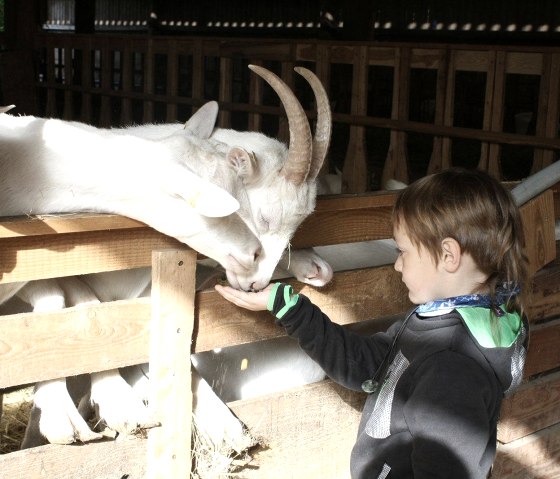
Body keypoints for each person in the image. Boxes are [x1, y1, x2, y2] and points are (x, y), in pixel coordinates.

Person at [215, 167, 529, 479]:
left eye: (403, 251)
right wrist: (289, 307)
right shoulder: (448, 322)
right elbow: (367, 365)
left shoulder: (451, 368)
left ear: (448, 255)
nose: (396, 264)